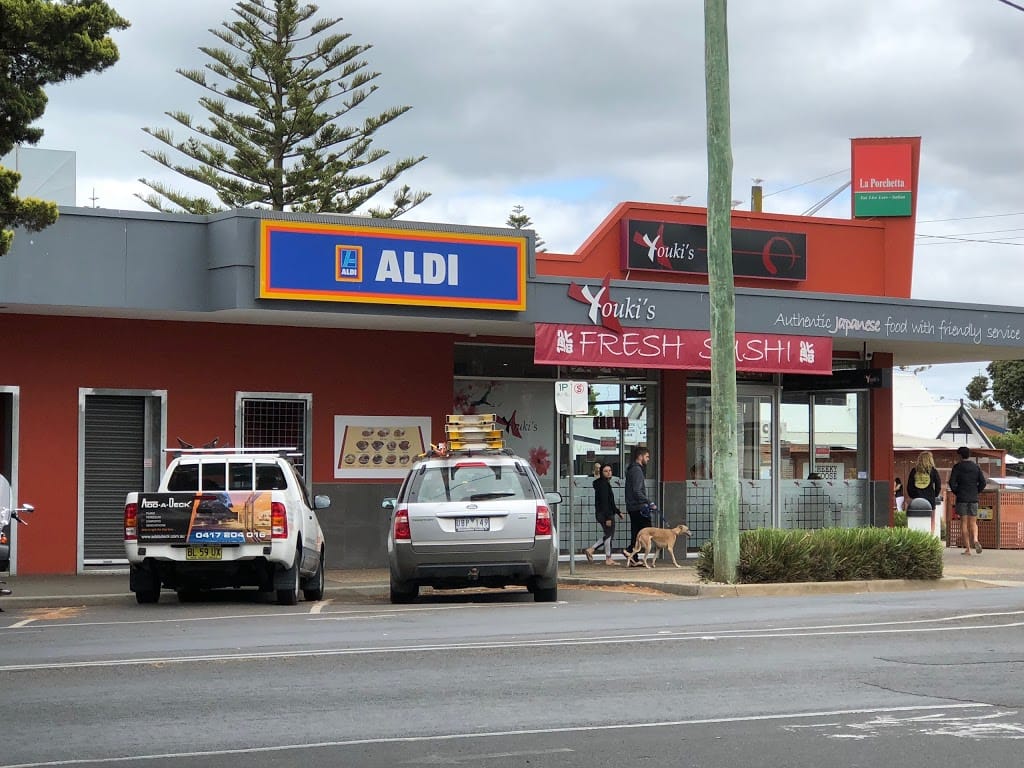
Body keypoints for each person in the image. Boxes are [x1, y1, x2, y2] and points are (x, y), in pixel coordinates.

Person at [948, 446, 987, 556]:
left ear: (960, 455)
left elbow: (951, 483)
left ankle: (968, 549)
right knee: (973, 522)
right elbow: (983, 482)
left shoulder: (957, 467)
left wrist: (957, 492)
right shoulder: (976, 467)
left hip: (962, 498)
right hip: (973, 498)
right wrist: (976, 491)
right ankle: (975, 539)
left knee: (964, 523)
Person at [584, 464, 624, 565]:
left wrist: (618, 512)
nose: (608, 472)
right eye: (606, 471)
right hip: (606, 514)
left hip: (604, 513)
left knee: (608, 535)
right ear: (601, 472)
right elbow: (605, 502)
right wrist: (608, 517)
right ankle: (593, 550)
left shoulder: (604, 484)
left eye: (610, 470)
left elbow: (611, 502)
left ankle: (607, 557)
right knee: (609, 535)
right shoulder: (603, 485)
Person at [623, 445, 656, 567]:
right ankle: (631, 550)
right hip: (638, 506)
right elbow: (637, 490)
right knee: (647, 531)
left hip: (633, 506)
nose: (648, 459)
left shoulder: (632, 469)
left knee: (637, 532)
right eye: (647, 457)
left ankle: (632, 555)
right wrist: (649, 502)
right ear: (640, 456)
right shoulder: (637, 470)